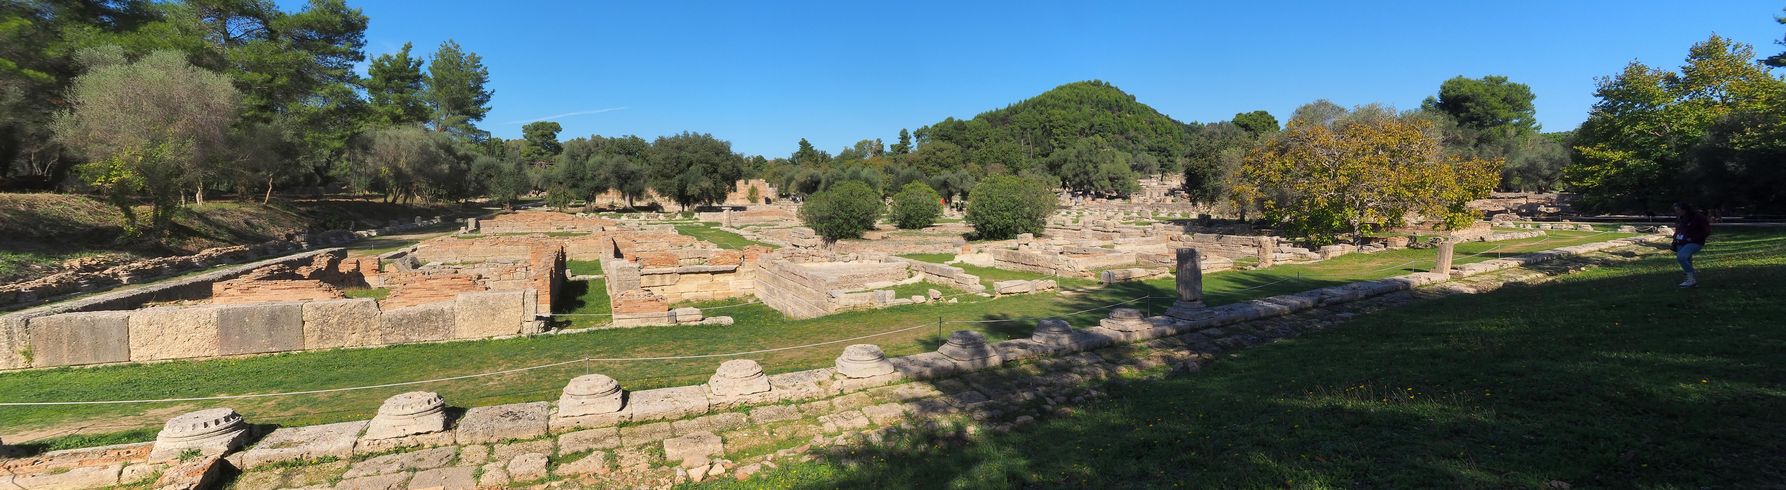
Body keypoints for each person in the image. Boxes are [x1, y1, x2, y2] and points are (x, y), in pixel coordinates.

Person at [1671, 202, 1711, 287]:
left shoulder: (1698, 217)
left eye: (1678, 210)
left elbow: (1707, 231)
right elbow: (1679, 229)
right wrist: (1675, 238)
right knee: (1687, 260)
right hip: (1681, 242)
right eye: (1675, 210)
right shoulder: (1680, 217)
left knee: (1681, 257)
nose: (1676, 212)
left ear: (1684, 209)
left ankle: (1691, 277)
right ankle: (1690, 281)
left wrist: (1694, 238)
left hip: (1695, 242)